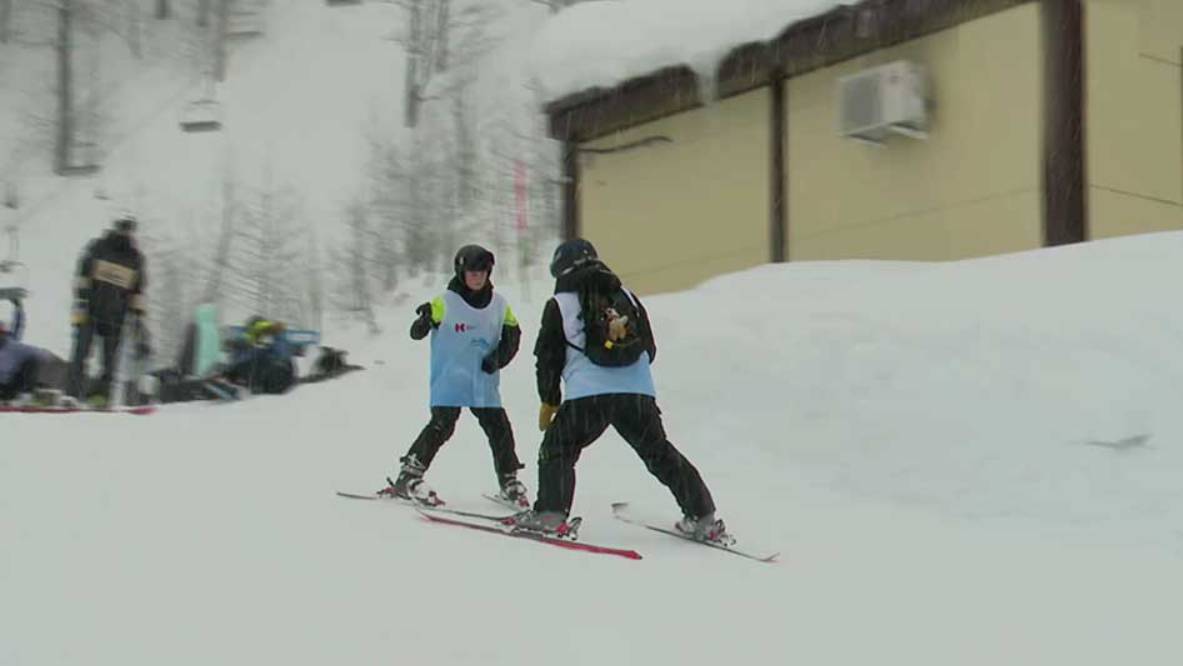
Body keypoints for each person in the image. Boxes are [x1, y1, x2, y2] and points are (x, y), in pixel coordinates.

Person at [506, 238, 730, 543]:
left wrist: (549, 399)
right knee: (659, 452)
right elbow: (649, 348)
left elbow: (548, 358)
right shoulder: (627, 297)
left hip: (589, 394)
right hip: (637, 391)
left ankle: (550, 514)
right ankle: (703, 517)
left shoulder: (560, 304)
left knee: (557, 449)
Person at [378, 244, 527, 507]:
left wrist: (498, 358)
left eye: (483, 272)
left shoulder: (500, 305)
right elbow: (417, 331)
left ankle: (509, 481)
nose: (478, 277)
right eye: (472, 272)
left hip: (483, 382)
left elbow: (513, 337)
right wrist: (424, 321)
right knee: (442, 425)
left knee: (499, 429)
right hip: (450, 379)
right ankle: (409, 475)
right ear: (461, 272)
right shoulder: (445, 302)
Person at [66, 214, 147, 406]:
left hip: (116, 318)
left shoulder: (135, 258)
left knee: (110, 363)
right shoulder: (97, 247)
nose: (125, 231)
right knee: (80, 356)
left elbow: (138, 290)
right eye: (122, 227)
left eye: (128, 228)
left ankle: (102, 397)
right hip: (89, 312)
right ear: (115, 227)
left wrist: (137, 317)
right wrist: (81, 304)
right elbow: (81, 277)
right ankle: (72, 396)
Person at [222, 316, 297, 395]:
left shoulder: (270, 349)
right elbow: (237, 362)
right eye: (261, 332)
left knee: (277, 361)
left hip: (273, 382)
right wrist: (237, 345)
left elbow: (283, 355)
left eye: (265, 332)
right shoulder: (246, 346)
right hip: (248, 379)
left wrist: (278, 334)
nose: (263, 335)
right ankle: (224, 384)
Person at [0, 291, 43, 402]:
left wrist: (18, 307)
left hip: (8, 386)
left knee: (32, 360)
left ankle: (24, 395)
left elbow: (18, 326)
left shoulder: (11, 343)